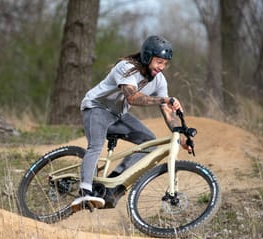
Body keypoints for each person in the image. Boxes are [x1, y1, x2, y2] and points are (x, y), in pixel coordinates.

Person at [71, 35, 193, 212]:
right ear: (146, 56)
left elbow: (168, 113)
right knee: (96, 146)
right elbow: (133, 97)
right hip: (96, 108)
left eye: (165, 64)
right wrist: (164, 99)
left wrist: (181, 137)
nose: (162, 67)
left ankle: (111, 186)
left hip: (118, 115)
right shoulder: (126, 68)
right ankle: (83, 191)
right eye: (159, 62)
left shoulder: (159, 80)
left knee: (149, 143)